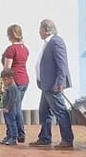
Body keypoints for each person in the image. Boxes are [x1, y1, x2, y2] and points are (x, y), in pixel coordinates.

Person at [29, 18, 74, 149]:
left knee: (60, 111)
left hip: (53, 85)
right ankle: (45, 137)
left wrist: (60, 81)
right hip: (46, 85)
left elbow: (62, 64)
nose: (38, 32)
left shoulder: (56, 42)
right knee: (44, 112)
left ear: (45, 30)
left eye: (40, 29)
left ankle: (67, 139)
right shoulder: (49, 42)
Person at [0, 23, 29, 144]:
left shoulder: (11, 49)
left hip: (14, 82)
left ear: (11, 35)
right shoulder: (25, 48)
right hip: (24, 80)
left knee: (11, 110)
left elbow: (7, 70)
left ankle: (12, 135)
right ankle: (20, 134)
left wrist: (2, 84)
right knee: (17, 108)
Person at [0, 68, 21, 145]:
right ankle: (8, 136)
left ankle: (14, 138)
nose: (4, 82)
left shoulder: (12, 87)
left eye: (5, 80)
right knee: (8, 124)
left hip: (11, 110)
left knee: (12, 124)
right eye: (3, 80)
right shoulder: (8, 86)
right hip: (6, 109)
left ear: (11, 78)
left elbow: (12, 99)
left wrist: (8, 108)